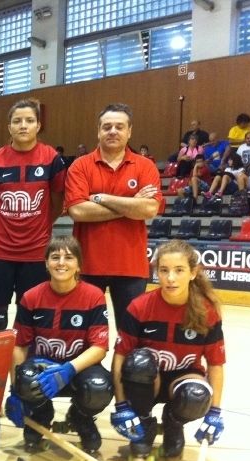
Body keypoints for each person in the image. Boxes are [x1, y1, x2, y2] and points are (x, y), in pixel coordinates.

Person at [110, 239, 225, 461]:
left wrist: (215, 412)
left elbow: (215, 364)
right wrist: (121, 405)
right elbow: (120, 357)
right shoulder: (140, 307)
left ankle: (173, 424)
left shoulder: (207, 311)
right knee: (137, 363)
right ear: (156, 272)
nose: (170, 278)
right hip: (145, 380)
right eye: (164, 270)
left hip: (182, 379)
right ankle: (144, 425)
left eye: (179, 270)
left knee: (196, 395)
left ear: (193, 273)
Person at [5, 235, 112, 454]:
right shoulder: (31, 297)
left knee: (100, 387)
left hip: (78, 368)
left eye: (69, 257)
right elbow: (19, 346)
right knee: (24, 378)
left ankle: (80, 417)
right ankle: (41, 415)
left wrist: (68, 368)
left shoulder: (94, 296)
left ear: (78, 265)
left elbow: (99, 347)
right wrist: (15, 390)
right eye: (55, 257)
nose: (61, 263)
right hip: (42, 366)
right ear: (46, 263)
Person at [65, 103, 162, 330]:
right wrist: (131, 203)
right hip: (86, 265)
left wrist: (100, 198)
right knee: (81, 333)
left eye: (119, 126)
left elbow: (148, 210)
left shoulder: (145, 166)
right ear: (98, 131)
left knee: (130, 336)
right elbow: (78, 211)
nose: (113, 131)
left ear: (129, 132)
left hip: (131, 267)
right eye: (107, 127)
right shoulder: (80, 166)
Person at [0, 98, 66, 330]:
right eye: (17, 121)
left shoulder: (51, 159)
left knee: (31, 317)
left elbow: (57, 203)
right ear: (9, 127)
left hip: (36, 253)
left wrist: (39, 223)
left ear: (38, 125)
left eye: (29, 120)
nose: (23, 125)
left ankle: (24, 366)